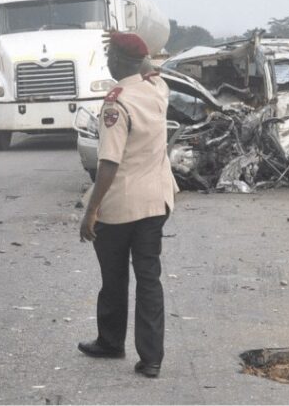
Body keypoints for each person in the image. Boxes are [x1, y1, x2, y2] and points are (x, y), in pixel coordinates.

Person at [78, 32, 178, 378]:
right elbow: (148, 65)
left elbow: (108, 162)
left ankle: (110, 341)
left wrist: (91, 210)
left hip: (120, 205)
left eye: (110, 54)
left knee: (114, 276)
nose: (107, 60)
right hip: (156, 201)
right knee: (149, 278)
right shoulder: (157, 90)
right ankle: (151, 359)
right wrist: (132, 45)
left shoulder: (115, 102)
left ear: (119, 62)